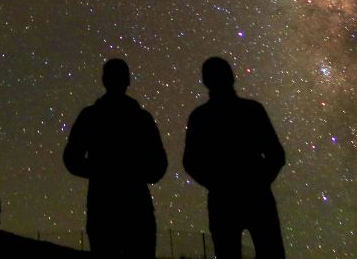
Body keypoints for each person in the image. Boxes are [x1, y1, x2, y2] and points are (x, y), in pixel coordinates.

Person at [184, 57, 286, 259]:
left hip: (224, 201)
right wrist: (260, 181)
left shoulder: (200, 116)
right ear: (231, 77)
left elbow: (191, 162)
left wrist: (215, 183)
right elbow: (276, 155)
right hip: (257, 197)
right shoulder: (252, 110)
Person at [64, 58, 167, 257]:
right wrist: (133, 174)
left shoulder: (90, 116)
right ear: (128, 80)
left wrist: (100, 171)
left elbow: (72, 159)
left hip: (102, 206)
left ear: (104, 80)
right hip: (136, 206)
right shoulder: (141, 119)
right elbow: (159, 166)